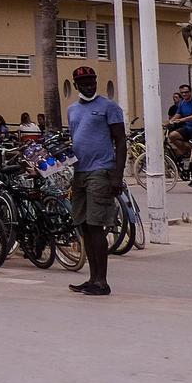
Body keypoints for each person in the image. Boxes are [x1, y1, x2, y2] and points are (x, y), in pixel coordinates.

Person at [66, 65, 128, 297]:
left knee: (95, 225)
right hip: (79, 172)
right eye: (84, 83)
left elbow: (120, 141)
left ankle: (102, 281)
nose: (89, 86)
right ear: (76, 85)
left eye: (92, 82)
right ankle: (92, 278)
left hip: (101, 171)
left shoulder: (109, 107)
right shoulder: (72, 110)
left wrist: (117, 175)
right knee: (83, 225)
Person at [169, 85, 192, 186]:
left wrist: (182, 120)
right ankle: (187, 151)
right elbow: (177, 114)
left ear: (190, 92)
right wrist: (170, 121)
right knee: (173, 135)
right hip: (188, 129)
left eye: (186, 92)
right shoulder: (182, 103)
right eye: (182, 93)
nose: (184, 94)